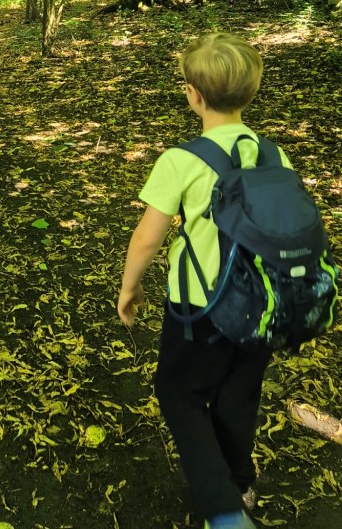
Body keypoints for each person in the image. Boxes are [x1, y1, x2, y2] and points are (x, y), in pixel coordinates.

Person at [117, 33, 283, 529]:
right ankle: (239, 479)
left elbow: (148, 236)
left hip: (199, 307)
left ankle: (225, 512)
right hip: (263, 304)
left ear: (193, 93)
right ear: (250, 93)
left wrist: (129, 287)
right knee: (238, 393)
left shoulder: (182, 160)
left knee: (178, 392)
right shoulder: (273, 154)